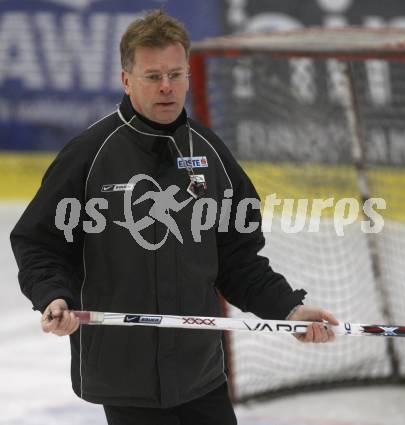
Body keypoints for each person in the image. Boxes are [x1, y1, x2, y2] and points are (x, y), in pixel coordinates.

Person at [10, 10, 338, 425]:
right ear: (127, 80)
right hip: (124, 375)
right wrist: (54, 295)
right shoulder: (89, 154)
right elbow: (39, 242)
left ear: (187, 75)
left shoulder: (211, 153)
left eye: (175, 74)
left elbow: (237, 259)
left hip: (199, 372)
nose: (166, 87)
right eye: (152, 76)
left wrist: (289, 310)